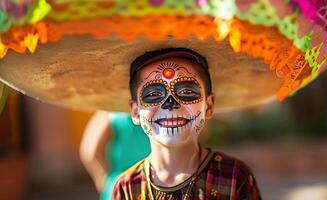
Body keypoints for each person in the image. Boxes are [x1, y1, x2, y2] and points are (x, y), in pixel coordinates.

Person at [112, 48, 261, 199]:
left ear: (208, 106)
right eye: (154, 94)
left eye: (187, 92)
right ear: (136, 112)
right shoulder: (127, 187)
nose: (170, 104)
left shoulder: (233, 177)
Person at [80, 111, 151, 200]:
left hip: (122, 185)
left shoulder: (110, 115)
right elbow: (90, 154)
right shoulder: (154, 114)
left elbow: (90, 153)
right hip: (144, 184)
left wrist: (105, 183)